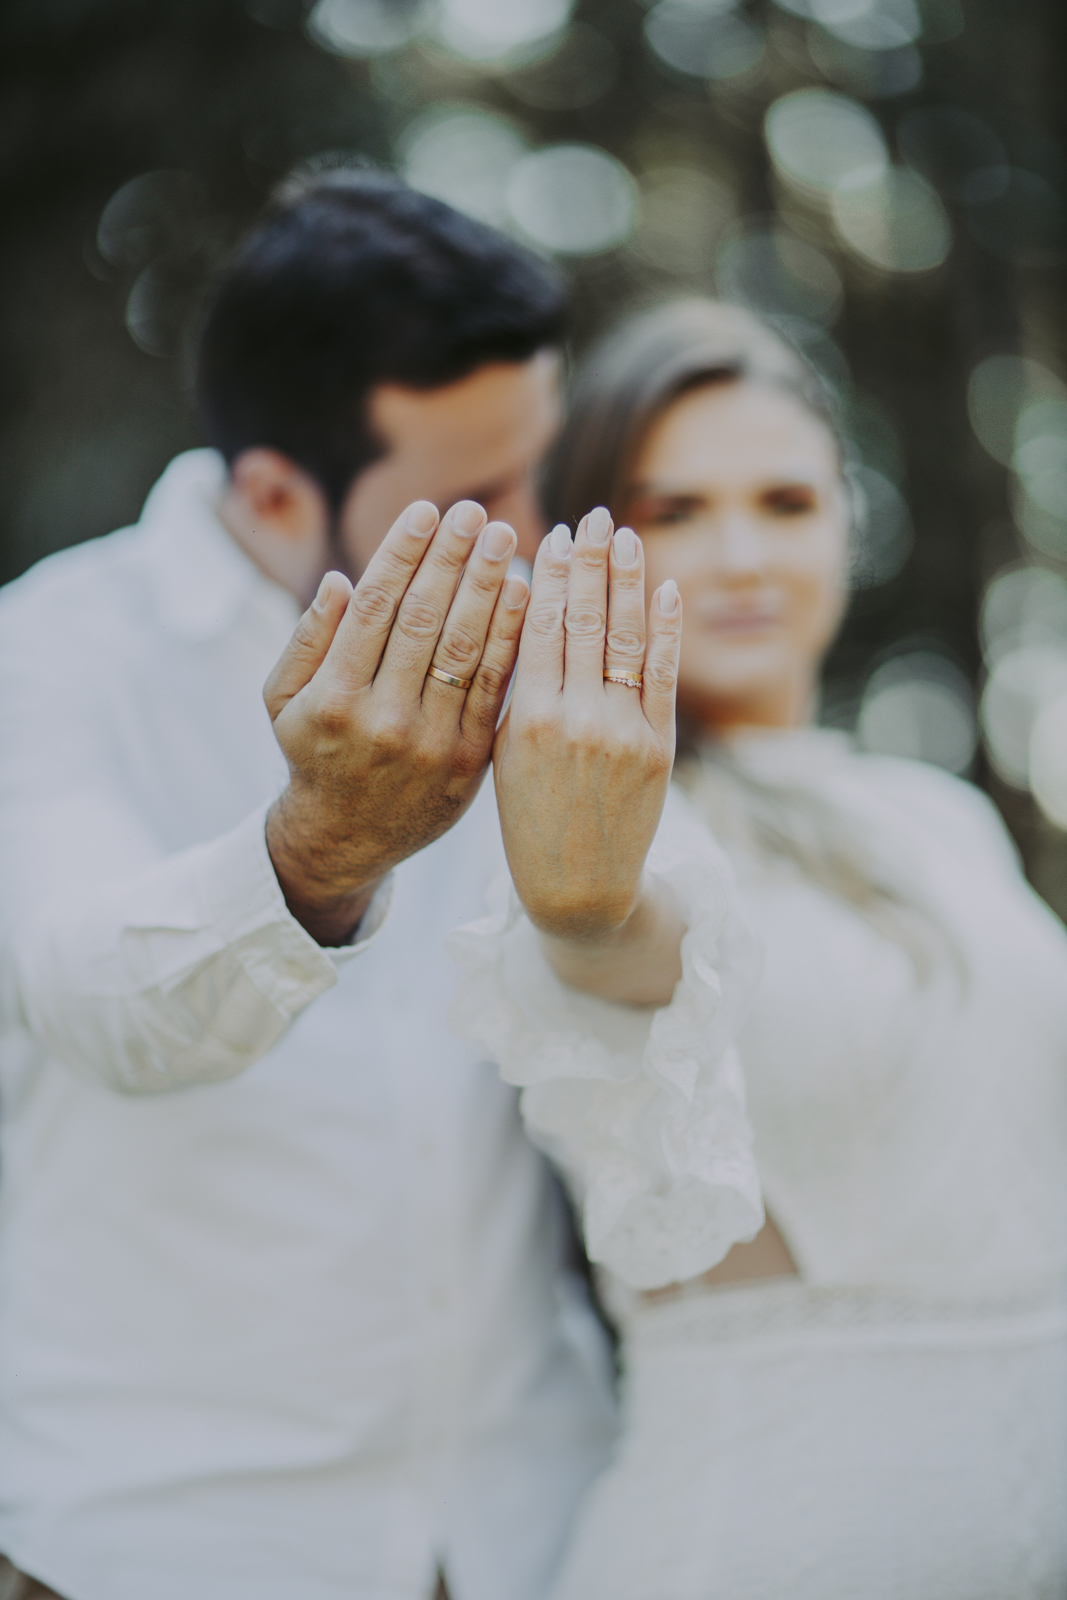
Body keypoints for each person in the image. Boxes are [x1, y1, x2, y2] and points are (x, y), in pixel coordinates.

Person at [0, 169, 694, 1600]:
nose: (528, 525)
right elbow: (93, 1004)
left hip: (532, 1527)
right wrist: (319, 849)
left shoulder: (557, 649)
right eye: (469, 498)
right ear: (272, 488)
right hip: (161, 1541)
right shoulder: (47, 659)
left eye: (537, 468)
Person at [452, 299, 1067, 1597]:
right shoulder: (618, 828)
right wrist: (582, 892)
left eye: (785, 502)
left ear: (849, 517)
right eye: (672, 514)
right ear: (582, 552)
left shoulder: (939, 817)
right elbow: (611, 929)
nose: (738, 556)